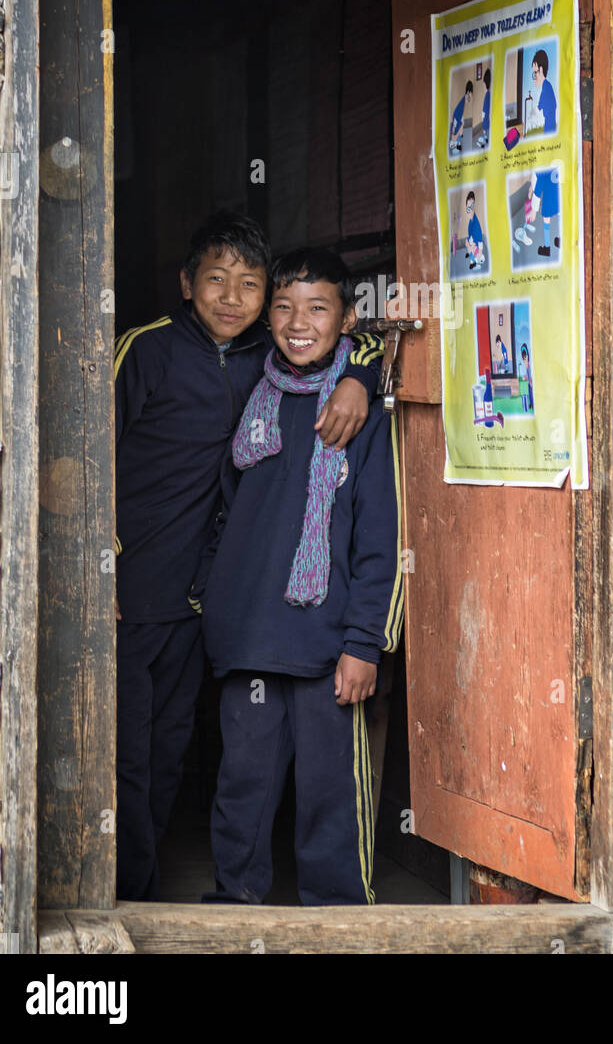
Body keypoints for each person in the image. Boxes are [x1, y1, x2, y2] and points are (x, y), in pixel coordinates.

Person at [113, 212, 382, 902]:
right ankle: (132, 900)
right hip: (140, 597)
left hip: (230, 615)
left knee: (176, 755)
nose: (232, 298)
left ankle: (328, 918)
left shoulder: (309, 380)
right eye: (215, 280)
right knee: (132, 761)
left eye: (249, 285)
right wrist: (96, 564)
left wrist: (363, 374)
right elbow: (82, 454)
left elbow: (363, 332)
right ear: (185, 284)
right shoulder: (152, 354)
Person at [192, 248, 403, 906]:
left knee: (329, 798)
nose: (297, 321)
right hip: (250, 634)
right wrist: (216, 589)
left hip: (326, 644)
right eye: (283, 306)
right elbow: (226, 503)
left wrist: (365, 641)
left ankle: (337, 924)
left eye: (318, 307)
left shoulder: (359, 415)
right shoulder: (252, 389)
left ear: (347, 319)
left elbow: (380, 535)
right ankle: (235, 912)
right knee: (242, 790)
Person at [530, 167, 561, 258]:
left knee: (546, 218)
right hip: (558, 192)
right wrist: (531, 187)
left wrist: (534, 210)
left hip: (548, 196)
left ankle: (547, 248)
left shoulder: (540, 168)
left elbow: (538, 187)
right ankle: (560, 239)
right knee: (559, 213)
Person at [531, 49, 558, 136]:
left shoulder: (546, 86)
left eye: (535, 73)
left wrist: (537, 109)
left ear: (541, 70)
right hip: (549, 120)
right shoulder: (546, 86)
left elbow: (543, 100)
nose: (534, 78)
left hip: (549, 121)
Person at [449, 80, 473, 154]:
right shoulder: (466, 95)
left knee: (461, 126)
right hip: (457, 115)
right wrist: (470, 95)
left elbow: (468, 101)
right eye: (471, 91)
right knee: (456, 129)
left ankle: (458, 142)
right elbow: (469, 100)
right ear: (469, 91)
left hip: (459, 114)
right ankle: (455, 142)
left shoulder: (466, 96)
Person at [464, 191, 486, 271]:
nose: (469, 211)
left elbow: (479, 239)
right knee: (467, 243)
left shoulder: (476, 223)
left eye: (471, 207)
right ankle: (470, 253)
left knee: (470, 248)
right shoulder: (470, 222)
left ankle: (473, 262)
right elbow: (470, 234)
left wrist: (479, 251)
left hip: (476, 246)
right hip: (472, 243)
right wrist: (468, 242)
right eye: (467, 208)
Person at [477, 68, 492, 149]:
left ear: (485, 84)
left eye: (483, 85)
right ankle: (485, 138)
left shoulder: (487, 95)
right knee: (485, 127)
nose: (482, 87)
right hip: (486, 115)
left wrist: (483, 116)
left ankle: (483, 140)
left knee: (484, 127)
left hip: (485, 116)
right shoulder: (488, 94)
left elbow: (485, 108)